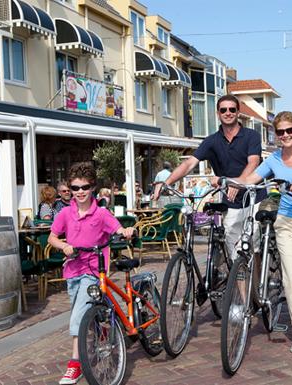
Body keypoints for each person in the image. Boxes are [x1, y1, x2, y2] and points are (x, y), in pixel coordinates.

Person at [233, 111, 292, 354]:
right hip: (286, 223)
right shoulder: (274, 159)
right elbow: (252, 178)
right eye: (280, 132)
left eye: (289, 130)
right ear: (275, 135)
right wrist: (229, 182)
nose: (285, 135)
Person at [48, 162, 135, 385]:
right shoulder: (65, 213)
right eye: (75, 188)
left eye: (84, 187)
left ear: (92, 188)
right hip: (72, 271)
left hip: (93, 271)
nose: (80, 192)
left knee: (78, 316)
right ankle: (103, 332)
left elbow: (117, 229)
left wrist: (125, 231)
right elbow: (52, 237)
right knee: (86, 312)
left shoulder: (102, 214)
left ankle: (75, 365)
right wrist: (63, 246)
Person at [152, 94, 265, 260]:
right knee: (235, 256)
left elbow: (253, 162)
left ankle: (256, 286)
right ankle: (239, 283)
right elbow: (188, 164)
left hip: (254, 198)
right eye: (223, 110)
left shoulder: (251, 136)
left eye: (232, 109)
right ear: (218, 114)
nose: (228, 113)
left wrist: (237, 182)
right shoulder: (211, 141)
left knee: (253, 249)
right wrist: (166, 182)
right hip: (231, 202)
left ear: (238, 112)